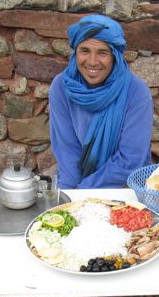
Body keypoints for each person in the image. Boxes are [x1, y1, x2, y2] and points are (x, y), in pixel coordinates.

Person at [48, 14, 153, 189]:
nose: (92, 62)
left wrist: (84, 191)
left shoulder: (136, 92)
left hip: (125, 187)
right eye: (84, 51)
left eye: (102, 53)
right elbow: (67, 151)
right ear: (76, 52)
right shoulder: (61, 87)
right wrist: (70, 197)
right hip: (77, 186)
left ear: (114, 56)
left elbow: (131, 159)